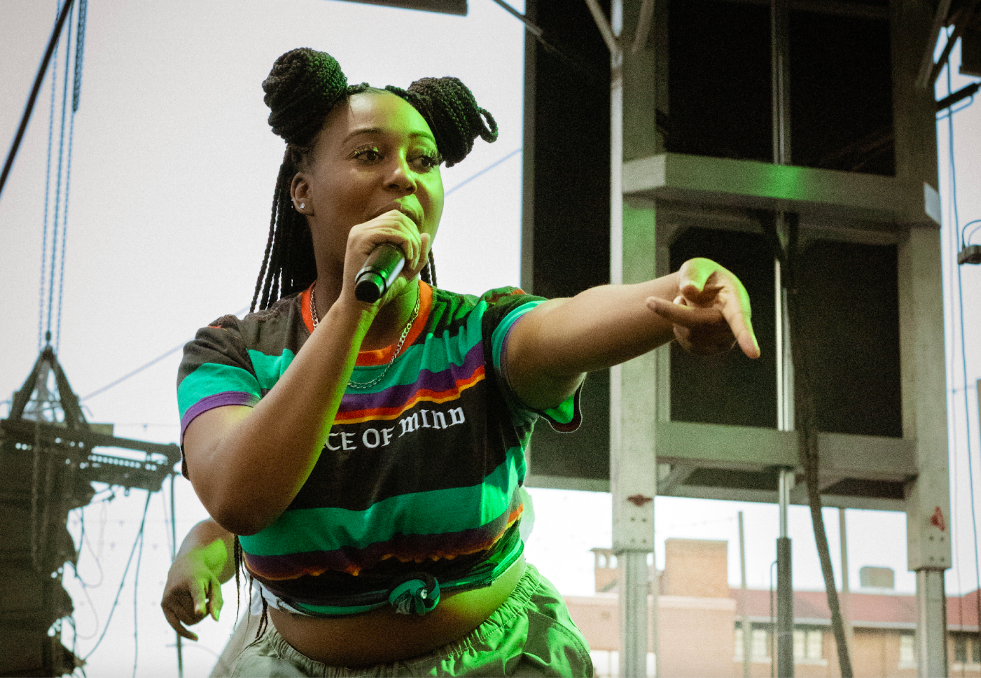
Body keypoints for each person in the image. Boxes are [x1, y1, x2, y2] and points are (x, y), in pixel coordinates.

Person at [162, 47, 760, 676]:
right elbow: (239, 498)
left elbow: (570, 321)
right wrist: (352, 311)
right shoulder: (231, 351)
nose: (403, 177)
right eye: (370, 154)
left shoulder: (481, 331)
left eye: (423, 161)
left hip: (497, 661)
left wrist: (676, 288)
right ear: (303, 191)